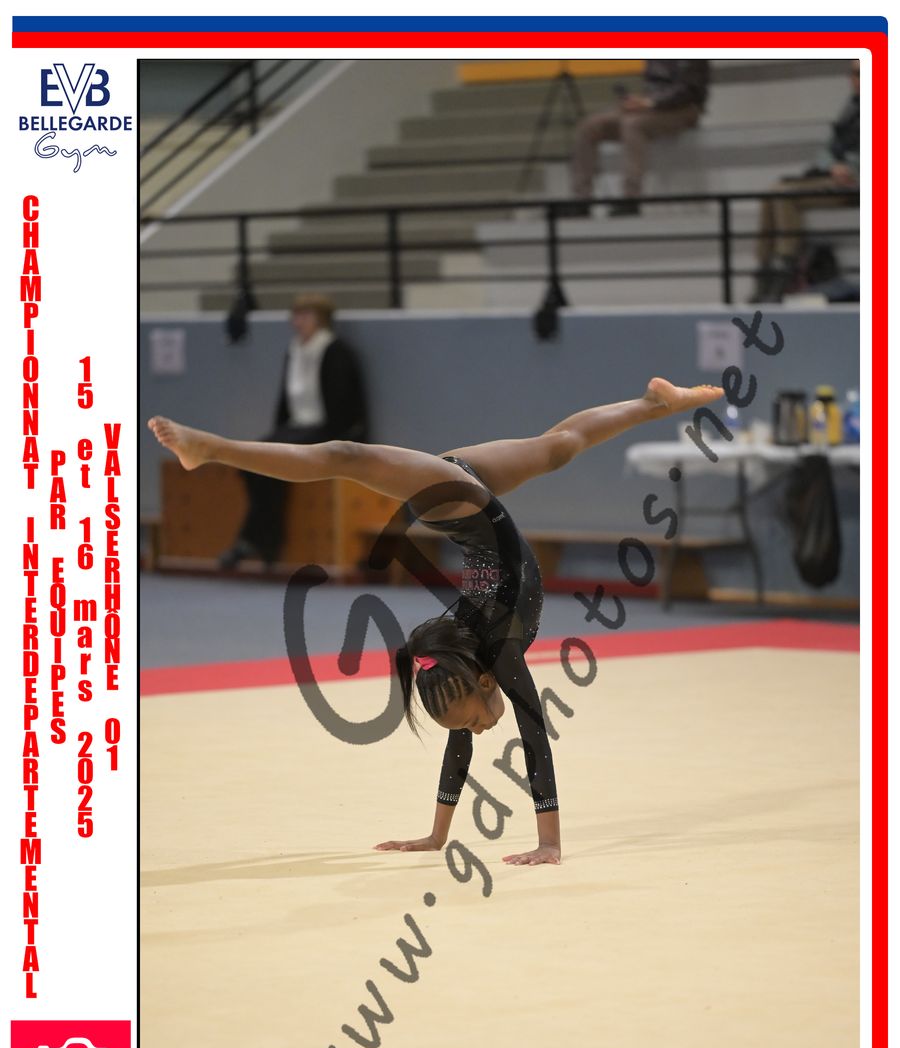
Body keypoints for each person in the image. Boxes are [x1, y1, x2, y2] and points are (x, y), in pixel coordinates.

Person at [148, 376, 724, 866]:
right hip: (466, 496)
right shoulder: (471, 662)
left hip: (456, 499)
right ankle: (653, 404)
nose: (477, 731)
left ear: (481, 681)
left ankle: (210, 448)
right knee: (559, 446)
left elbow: (534, 737)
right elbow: (466, 746)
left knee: (346, 456)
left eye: (469, 721)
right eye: (470, 723)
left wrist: (549, 843)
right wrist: (436, 836)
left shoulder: (495, 657)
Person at [219, 293, 368, 568]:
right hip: (296, 428)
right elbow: (286, 400)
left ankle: (256, 540)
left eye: (304, 315)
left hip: (326, 430)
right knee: (251, 460)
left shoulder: (336, 351)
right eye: (295, 315)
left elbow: (343, 406)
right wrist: (277, 433)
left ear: (320, 319)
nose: (297, 321)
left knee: (275, 463)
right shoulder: (294, 350)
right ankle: (264, 538)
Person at [753, 62, 860, 302]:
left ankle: (786, 266)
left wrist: (851, 168)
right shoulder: (852, 108)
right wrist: (832, 165)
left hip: (857, 184)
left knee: (784, 195)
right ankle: (765, 268)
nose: (856, 80)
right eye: (854, 74)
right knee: (772, 193)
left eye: (862, 74)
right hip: (833, 177)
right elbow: (826, 151)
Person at [568, 60, 710, 216]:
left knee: (633, 125)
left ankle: (631, 198)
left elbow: (688, 91)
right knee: (588, 127)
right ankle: (582, 200)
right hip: (652, 107)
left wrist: (650, 103)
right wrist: (638, 101)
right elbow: (653, 85)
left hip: (683, 108)